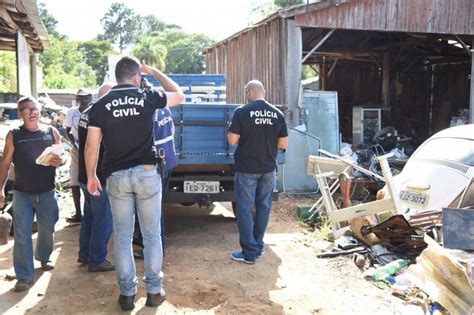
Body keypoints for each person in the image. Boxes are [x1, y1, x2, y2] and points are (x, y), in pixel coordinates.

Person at [85, 56, 184, 311]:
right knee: (151, 235)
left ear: (116, 77)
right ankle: (153, 291)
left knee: (123, 237)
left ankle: (127, 295)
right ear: (137, 76)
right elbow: (178, 95)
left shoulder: (101, 104)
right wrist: (155, 71)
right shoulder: (147, 95)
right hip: (147, 174)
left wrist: (91, 175)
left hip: (116, 177)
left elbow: (91, 145)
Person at [0, 96, 66, 291]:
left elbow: (61, 156)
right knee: (21, 235)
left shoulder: (51, 132)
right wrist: (1, 189)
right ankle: (24, 275)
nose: (32, 112)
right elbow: (5, 164)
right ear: (20, 113)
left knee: (48, 229)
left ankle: (43, 257)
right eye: (26, 109)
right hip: (22, 194)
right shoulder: (14, 135)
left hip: (47, 192)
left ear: (39, 111)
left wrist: (59, 161)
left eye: (34, 109)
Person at [227, 80, 288, 264]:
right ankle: (258, 247)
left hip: (246, 169)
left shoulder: (242, 112)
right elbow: (283, 144)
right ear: (264, 92)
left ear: (248, 92)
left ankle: (249, 253)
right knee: (263, 207)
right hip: (268, 169)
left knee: (245, 209)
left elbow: (232, 141)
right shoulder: (277, 114)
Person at [76, 83, 114, 272]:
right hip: (97, 177)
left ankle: (84, 254)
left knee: (89, 217)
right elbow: (98, 147)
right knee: (104, 219)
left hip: (84, 175)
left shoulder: (86, 113)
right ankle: (97, 259)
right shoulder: (102, 114)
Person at [133, 104, 178, 256]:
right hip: (168, 160)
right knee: (153, 206)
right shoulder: (164, 109)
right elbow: (172, 131)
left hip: (156, 164)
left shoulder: (148, 112)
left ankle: (156, 249)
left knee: (153, 209)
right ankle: (144, 240)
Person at [65, 89, 93, 223]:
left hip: (92, 149)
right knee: (75, 180)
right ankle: (78, 213)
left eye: (87, 98)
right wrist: (74, 144)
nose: (85, 101)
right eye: (81, 98)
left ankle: (92, 211)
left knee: (91, 179)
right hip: (77, 149)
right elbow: (67, 130)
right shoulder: (72, 112)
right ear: (77, 100)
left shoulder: (95, 111)